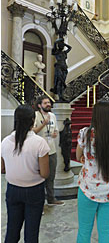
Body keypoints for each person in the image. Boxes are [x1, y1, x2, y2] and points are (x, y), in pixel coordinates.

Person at [1, 104, 50, 243]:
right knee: (31, 233)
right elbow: (45, 173)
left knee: (12, 230)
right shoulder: (39, 143)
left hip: (13, 190)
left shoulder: (4, 142)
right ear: (33, 120)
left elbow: (2, 169)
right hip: (34, 190)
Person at [76, 101, 109, 243]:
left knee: (84, 229)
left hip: (88, 187)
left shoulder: (85, 133)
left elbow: (78, 156)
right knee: (105, 230)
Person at [33, 96, 64, 207]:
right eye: (45, 103)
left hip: (51, 150)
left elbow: (55, 129)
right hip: (38, 152)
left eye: (49, 102)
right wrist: (43, 124)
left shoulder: (53, 116)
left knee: (51, 177)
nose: (48, 104)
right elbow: (32, 132)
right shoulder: (35, 115)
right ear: (39, 105)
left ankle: (51, 198)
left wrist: (55, 133)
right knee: (38, 178)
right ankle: (38, 201)